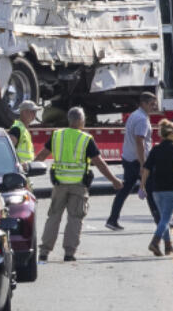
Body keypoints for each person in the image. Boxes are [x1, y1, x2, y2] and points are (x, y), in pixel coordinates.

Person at [34, 106, 120, 262]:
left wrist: (29, 170)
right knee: (75, 218)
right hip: (78, 185)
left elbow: (41, 155)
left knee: (53, 217)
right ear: (81, 120)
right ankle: (69, 253)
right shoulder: (86, 139)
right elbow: (100, 164)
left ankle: (44, 252)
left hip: (59, 184)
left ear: (69, 120)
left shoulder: (57, 135)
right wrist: (114, 180)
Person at [106, 91, 157, 231]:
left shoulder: (135, 115)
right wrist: (143, 164)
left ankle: (112, 219)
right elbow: (140, 142)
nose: (154, 107)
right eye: (152, 104)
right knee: (151, 190)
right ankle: (160, 221)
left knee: (125, 189)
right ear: (143, 103)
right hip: (137, 161)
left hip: (129, 158)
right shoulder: (141, 119)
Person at [141, 120, 173, 255]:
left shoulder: (156, 149)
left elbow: (146, 168)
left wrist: (142, 185)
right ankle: (155, 241)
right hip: (171, 188)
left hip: (156, 189)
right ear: (171, 134)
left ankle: (168, 245)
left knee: (163, 218)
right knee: (166, 219)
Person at [7, 100, 38, 167]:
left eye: (35, 112)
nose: (35, 115)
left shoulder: (23, 129)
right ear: (24, 112)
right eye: (33, 112)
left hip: (25, 170)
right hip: (19, 170)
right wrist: (19, 165)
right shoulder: (17, 129)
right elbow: (8, 151)